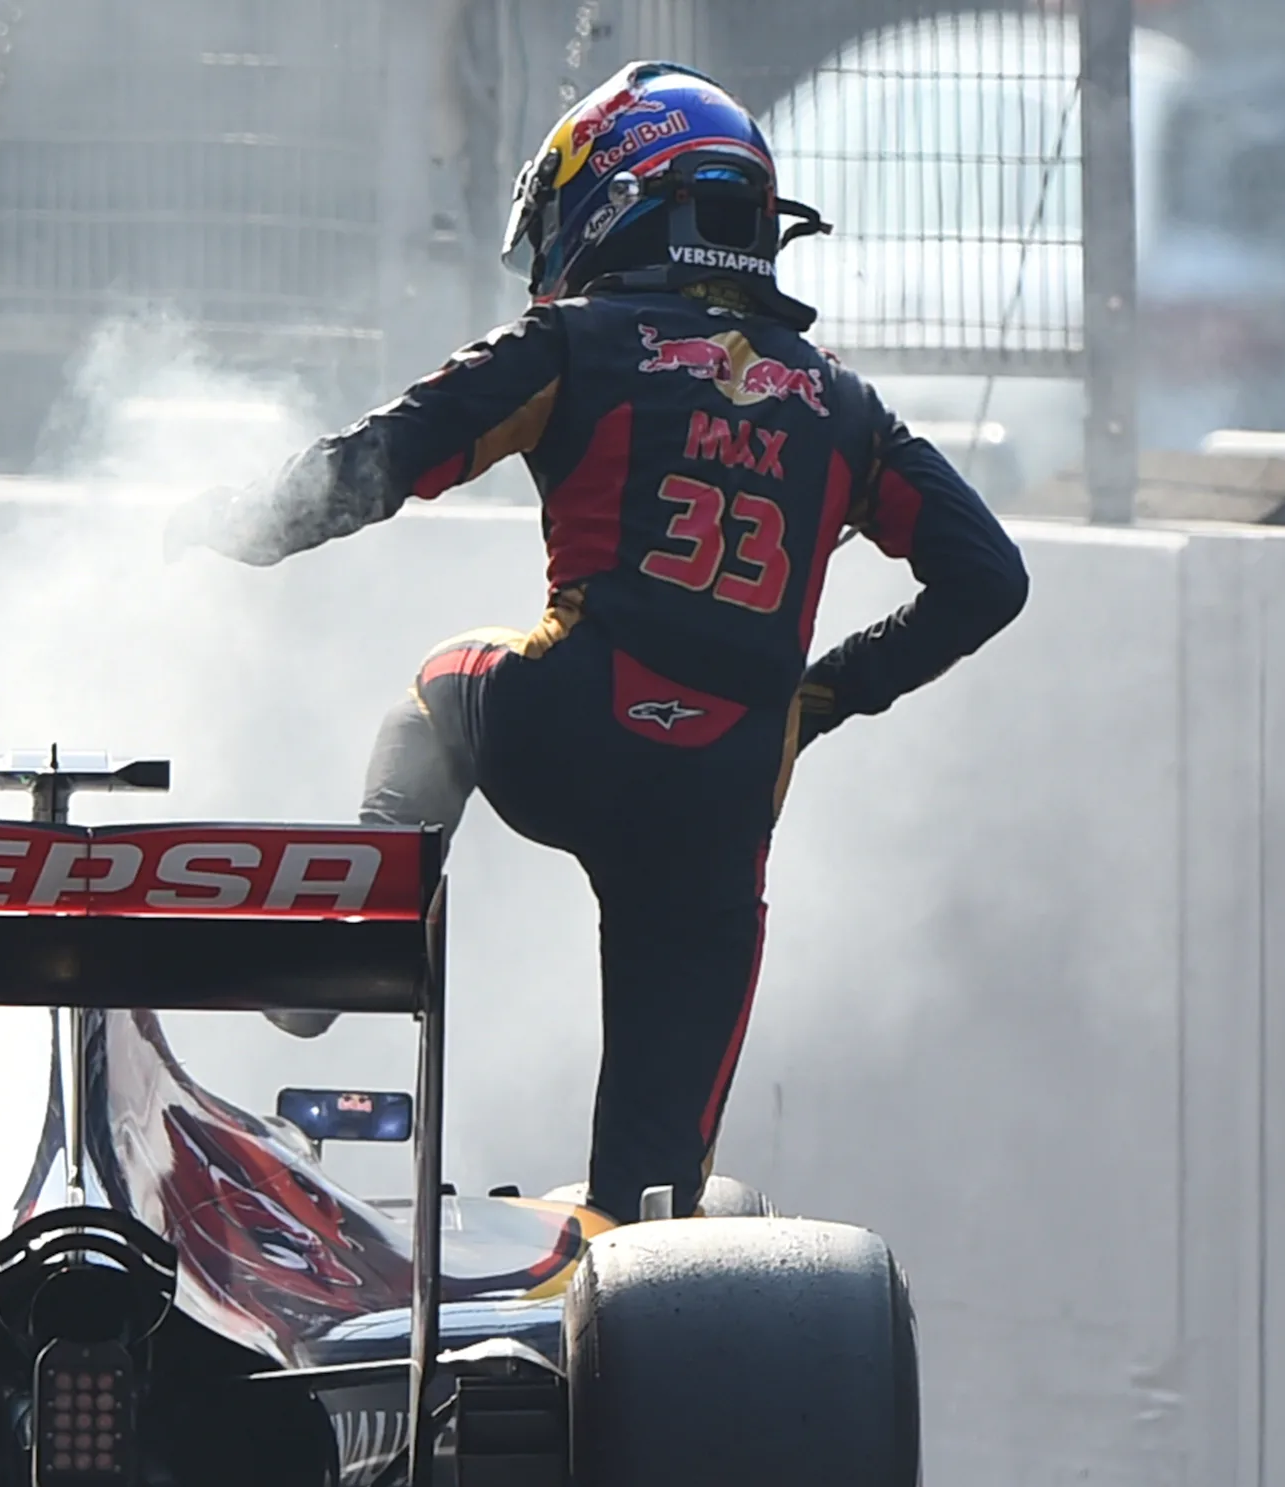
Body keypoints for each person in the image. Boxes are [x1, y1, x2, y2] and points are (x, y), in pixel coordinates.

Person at [169, 61, 1030, 1225]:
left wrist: (229, 526)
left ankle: (331, 959)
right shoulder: (846, 408)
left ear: (612, 196)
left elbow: (381, 461)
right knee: (654, 1204)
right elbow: (987, 578)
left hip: (569, 726)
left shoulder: (574, 339)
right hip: (724, 801)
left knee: (436, 686)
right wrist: (821, 698)